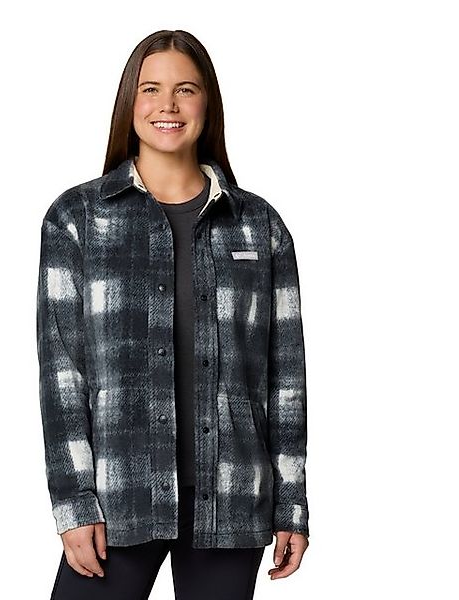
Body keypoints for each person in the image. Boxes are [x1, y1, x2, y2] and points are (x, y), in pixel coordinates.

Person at [36, 29, 310, 600]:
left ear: (207, 103)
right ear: (129, 103)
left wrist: (292, 504)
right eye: (151, 89)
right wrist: (74, 503)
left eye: (185, 89)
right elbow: (63, 377)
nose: (168, 105)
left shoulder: (259, 226)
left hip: (232, 499)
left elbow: (285, 379)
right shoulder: (76, 219)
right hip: (118, 498)